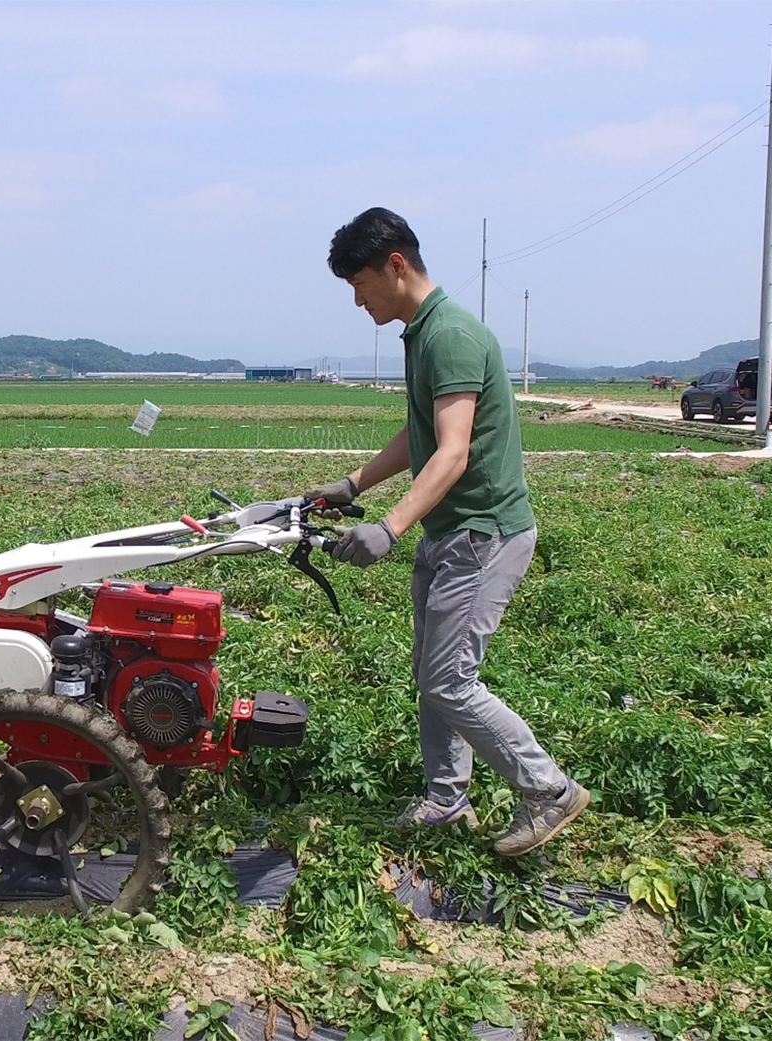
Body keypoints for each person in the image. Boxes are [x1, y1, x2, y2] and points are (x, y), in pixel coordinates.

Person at [308, 207, 587, 856]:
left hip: (483, 534)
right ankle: (446, 797)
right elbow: (420, 434)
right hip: (452, 532)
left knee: (449, 679)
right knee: (432, 674)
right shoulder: (423, 333)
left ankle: (549, 790)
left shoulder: (452, 336)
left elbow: (453, 452)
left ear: (396, 266)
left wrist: (389, 526)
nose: (357, 300)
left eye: (360, 284)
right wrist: (352, 485)